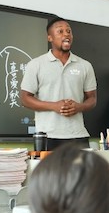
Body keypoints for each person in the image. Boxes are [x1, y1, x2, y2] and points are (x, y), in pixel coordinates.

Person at [20, 17, 97, 150]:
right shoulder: (36, 64)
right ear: (50, 38)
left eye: (69, 31)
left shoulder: (85, 65)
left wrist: (78, 107)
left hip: (77, 135)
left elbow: (92, 99)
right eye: (60, 31)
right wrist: (54, 106)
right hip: (47, 136)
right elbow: (25, 99)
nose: (66, 34)